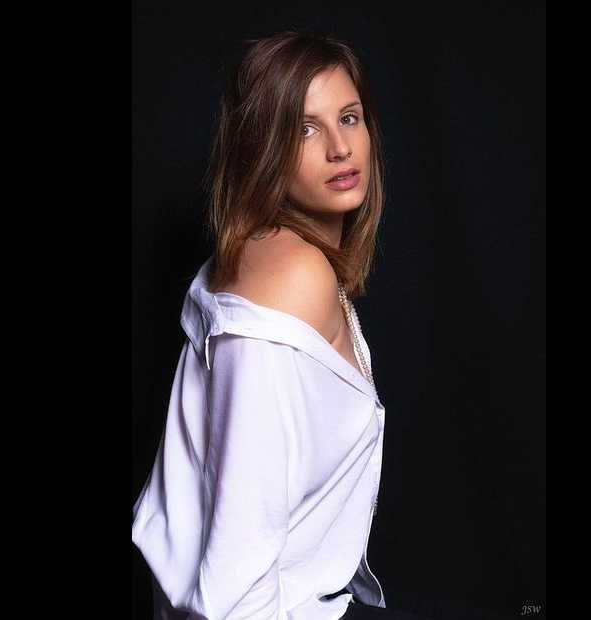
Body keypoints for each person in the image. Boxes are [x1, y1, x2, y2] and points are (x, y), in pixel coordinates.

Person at [132, 31, 425, 619]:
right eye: (304, 129)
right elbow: (237, 565)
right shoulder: (295, 274)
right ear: (259, 148)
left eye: (349, 118)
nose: (340, 148)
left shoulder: (266, 251)